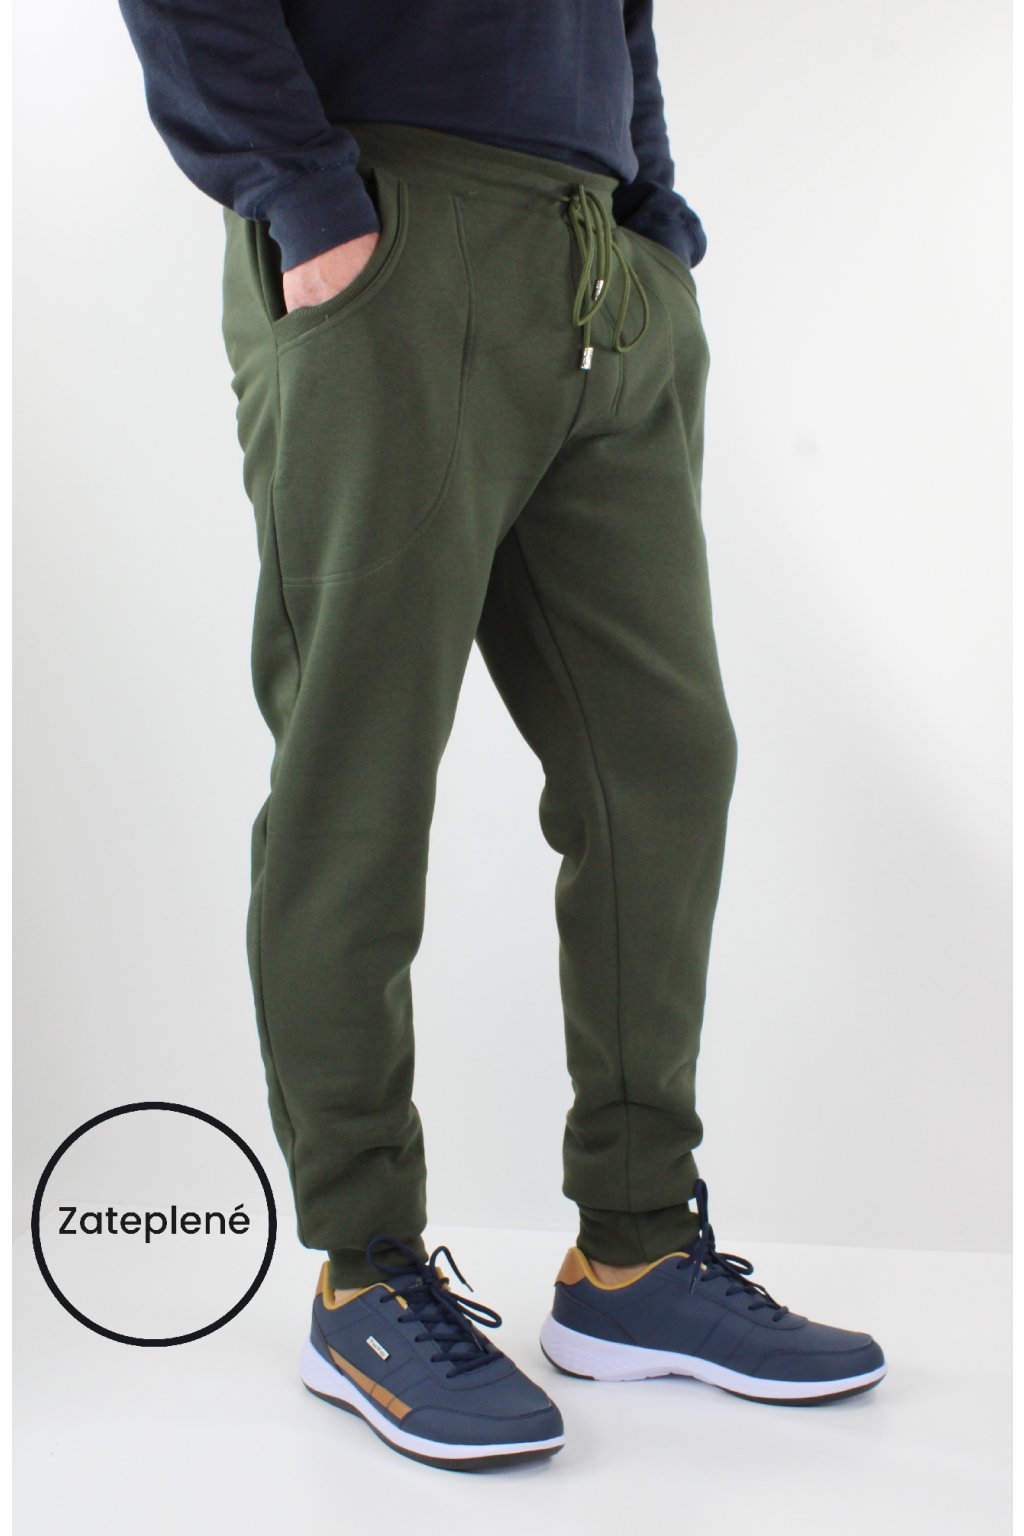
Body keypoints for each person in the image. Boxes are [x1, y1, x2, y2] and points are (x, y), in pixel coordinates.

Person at [117, 0, 886, 1472]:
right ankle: (364, 1274)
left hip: (601, 258)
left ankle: (634, 1251)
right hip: (388, 225)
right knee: (360, 773)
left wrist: (653, 217)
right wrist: (300, 193)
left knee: (666, 762)